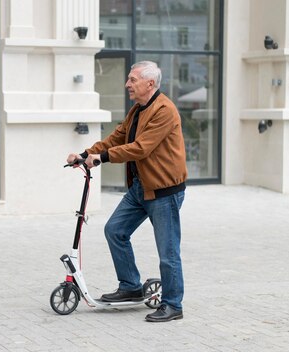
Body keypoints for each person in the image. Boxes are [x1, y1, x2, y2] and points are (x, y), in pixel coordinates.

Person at [66, 61, 187, 322]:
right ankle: (131, 286)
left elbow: (141, 148)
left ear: (150, 84)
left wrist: (103, 158)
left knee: (168, 252)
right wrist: (86, 154)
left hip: (163, 191)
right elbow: (116, 137)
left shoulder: (164, 110)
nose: (127, 84)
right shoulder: (137, 110)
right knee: (115, 231)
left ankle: (173, 304)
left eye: (132, 80)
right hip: (140, 187)